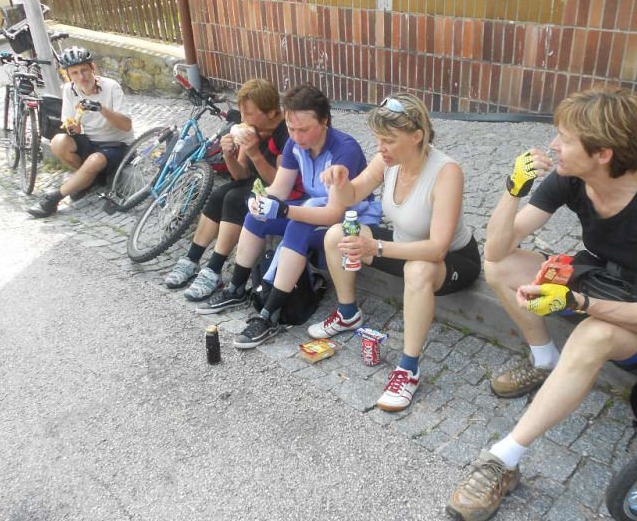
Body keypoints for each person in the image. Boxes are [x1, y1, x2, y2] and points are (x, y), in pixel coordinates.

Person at [446, 86, 637, 521]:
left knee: (592, 334)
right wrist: (514, 189)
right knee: (501, 268)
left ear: (603, 153)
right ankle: (544, 359)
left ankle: (503, 459)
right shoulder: (571, 178)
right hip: (602, 283)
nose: (553, 145)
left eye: (565, 139)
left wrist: (576, 301)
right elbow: (495, 252)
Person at [315, 93, 481, 412]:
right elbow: (352, 194)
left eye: (389, 140)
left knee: (417, 269)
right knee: (337, 235)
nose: (381, 148)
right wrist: (340, 181)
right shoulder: (387, 160)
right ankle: (348, 314)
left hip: (453, 259)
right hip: (404, 246)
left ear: (416, 136)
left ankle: (408, 369)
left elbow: (437, 248)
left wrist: (376, 247)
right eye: (378, 139)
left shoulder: (447, 172)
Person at [196, 83, 381, 350]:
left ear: (325, 121)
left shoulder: (344, 150)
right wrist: (260, 200)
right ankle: (236, 289)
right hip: (316, 207)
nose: (296, 136)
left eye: (303, 129)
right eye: (291, 129)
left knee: (298, 227)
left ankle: (269, 315)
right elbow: (280, 189)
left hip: (354, 218)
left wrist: (283, 210)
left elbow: (333, 213)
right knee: (257, 217)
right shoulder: (295, 144)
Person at [163, 79, 303, 301]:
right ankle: (191, 259)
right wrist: (228, 154)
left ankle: (214, 269)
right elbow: (240, 174)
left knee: (235, 198)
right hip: (257, 185)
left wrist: (255, 153)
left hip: (283, 193)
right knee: (219, 194)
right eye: (243, 113)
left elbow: (279, 184)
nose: (244, 119)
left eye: (249, 114)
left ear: (270, 112)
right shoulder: (252, 129)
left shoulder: (285, 133)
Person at [28, 46, 133, 218]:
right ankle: (88, 180)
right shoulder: (69, 89)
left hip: (117, 144)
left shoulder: (111, 87)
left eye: (84, 70)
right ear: (69, 75)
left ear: (92, 68)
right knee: (58, 141)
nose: (81, 77)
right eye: (75, 73)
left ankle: (54, 198)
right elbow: (69, 122)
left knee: (96, 159)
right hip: (91, 140)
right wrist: (73, 128)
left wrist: (102, 109)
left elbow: (126, 125)